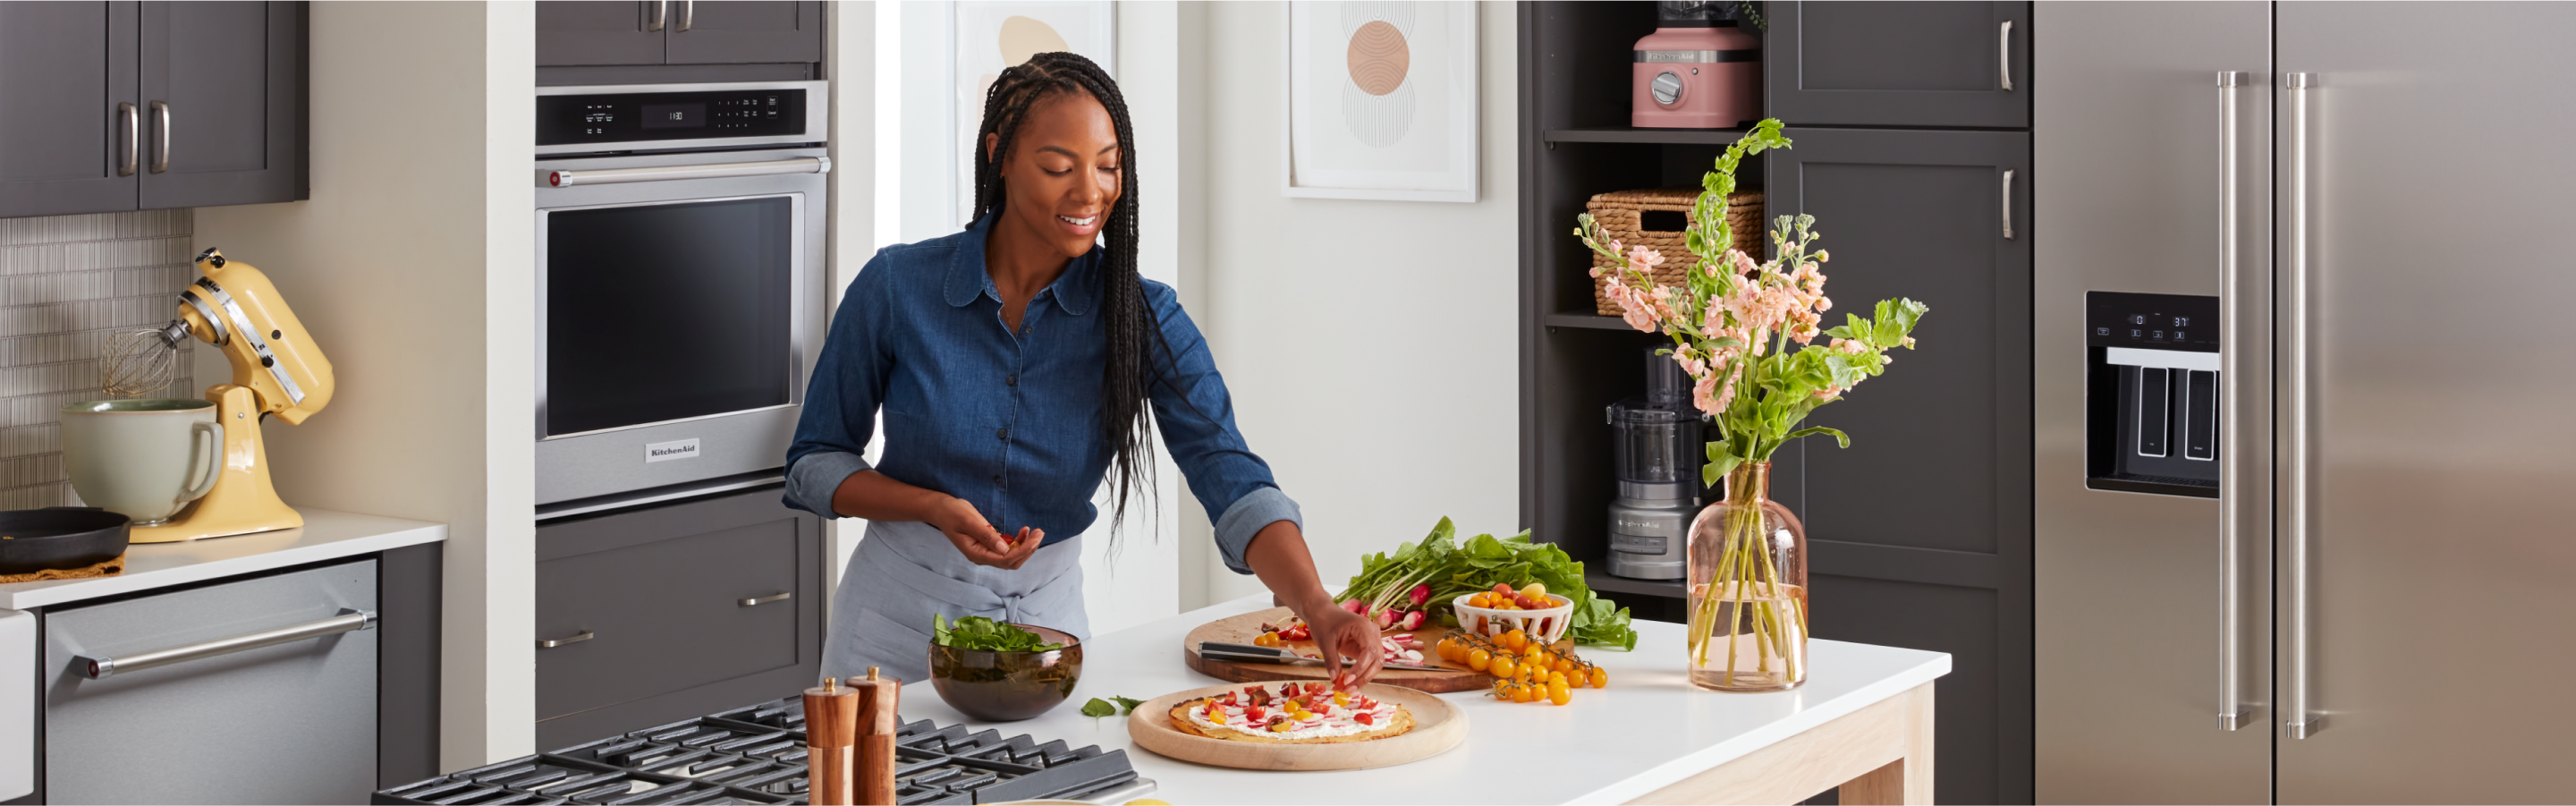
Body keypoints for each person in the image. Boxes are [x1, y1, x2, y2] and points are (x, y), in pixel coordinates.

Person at [784, 52, 1384, 690]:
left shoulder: (1144, 314)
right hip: (893, 633)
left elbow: (1229, 471)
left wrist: (1316, 602)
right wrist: (931, 506)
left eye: (1108, 166)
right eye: (1057, 167)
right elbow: (815, 463)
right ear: (1000, 155)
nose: (1089, 192)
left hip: (1050, 636)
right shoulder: (897, 286)